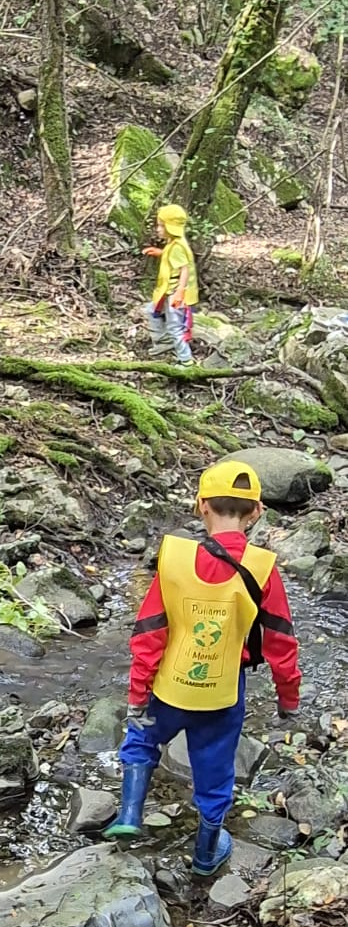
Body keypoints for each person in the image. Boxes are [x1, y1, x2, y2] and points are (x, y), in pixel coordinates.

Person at [105, 458, 301, 875]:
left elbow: (149, 632)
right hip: (222, 693)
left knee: (142, 741)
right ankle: (206, 854)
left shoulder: (173, 557)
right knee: (215, 772)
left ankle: (129, 816)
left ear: (201, 506)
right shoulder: (263, 568)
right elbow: (281, 639)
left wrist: (138, 695)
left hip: (168, 686)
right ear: (257, 512)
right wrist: (289, 699)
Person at [143, 203, 198, 367]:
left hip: (175, 293)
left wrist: (180, 291)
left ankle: (186, 360)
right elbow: (175, 260)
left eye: (161, 225)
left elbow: (184, 268)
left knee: (176, 327)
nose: (158, 229)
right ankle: (164, 342)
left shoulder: (177, 247)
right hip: (168, 291)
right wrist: (160, 253)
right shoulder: (174, 244)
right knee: (151, 311)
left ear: (171, 226)